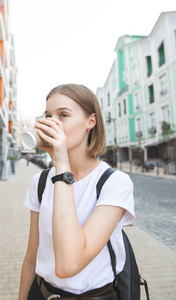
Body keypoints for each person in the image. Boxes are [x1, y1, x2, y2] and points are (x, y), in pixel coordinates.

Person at [19, 84, 135, 300]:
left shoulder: (114, 183)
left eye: (63, 115)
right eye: (47, 116)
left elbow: (68, 264)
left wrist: (62, 166)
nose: (51, 123)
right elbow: (31, 259)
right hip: (41, 293)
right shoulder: (41, 181)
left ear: (91, 122)